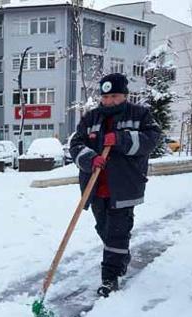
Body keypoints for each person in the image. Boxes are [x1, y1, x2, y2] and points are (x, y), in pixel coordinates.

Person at [69, 73, 161, 297]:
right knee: (104, 229)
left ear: (125, 95)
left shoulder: (140, 115)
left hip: (124, 186)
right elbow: (75, 143)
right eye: (106, 96)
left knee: (117, 233)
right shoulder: (91, 118)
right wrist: (90, 158)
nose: (109, 101)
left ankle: (110, 277)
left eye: (115, 96)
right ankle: (120, 256)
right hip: (95, 187)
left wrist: (122, 140)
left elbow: (152, 139)